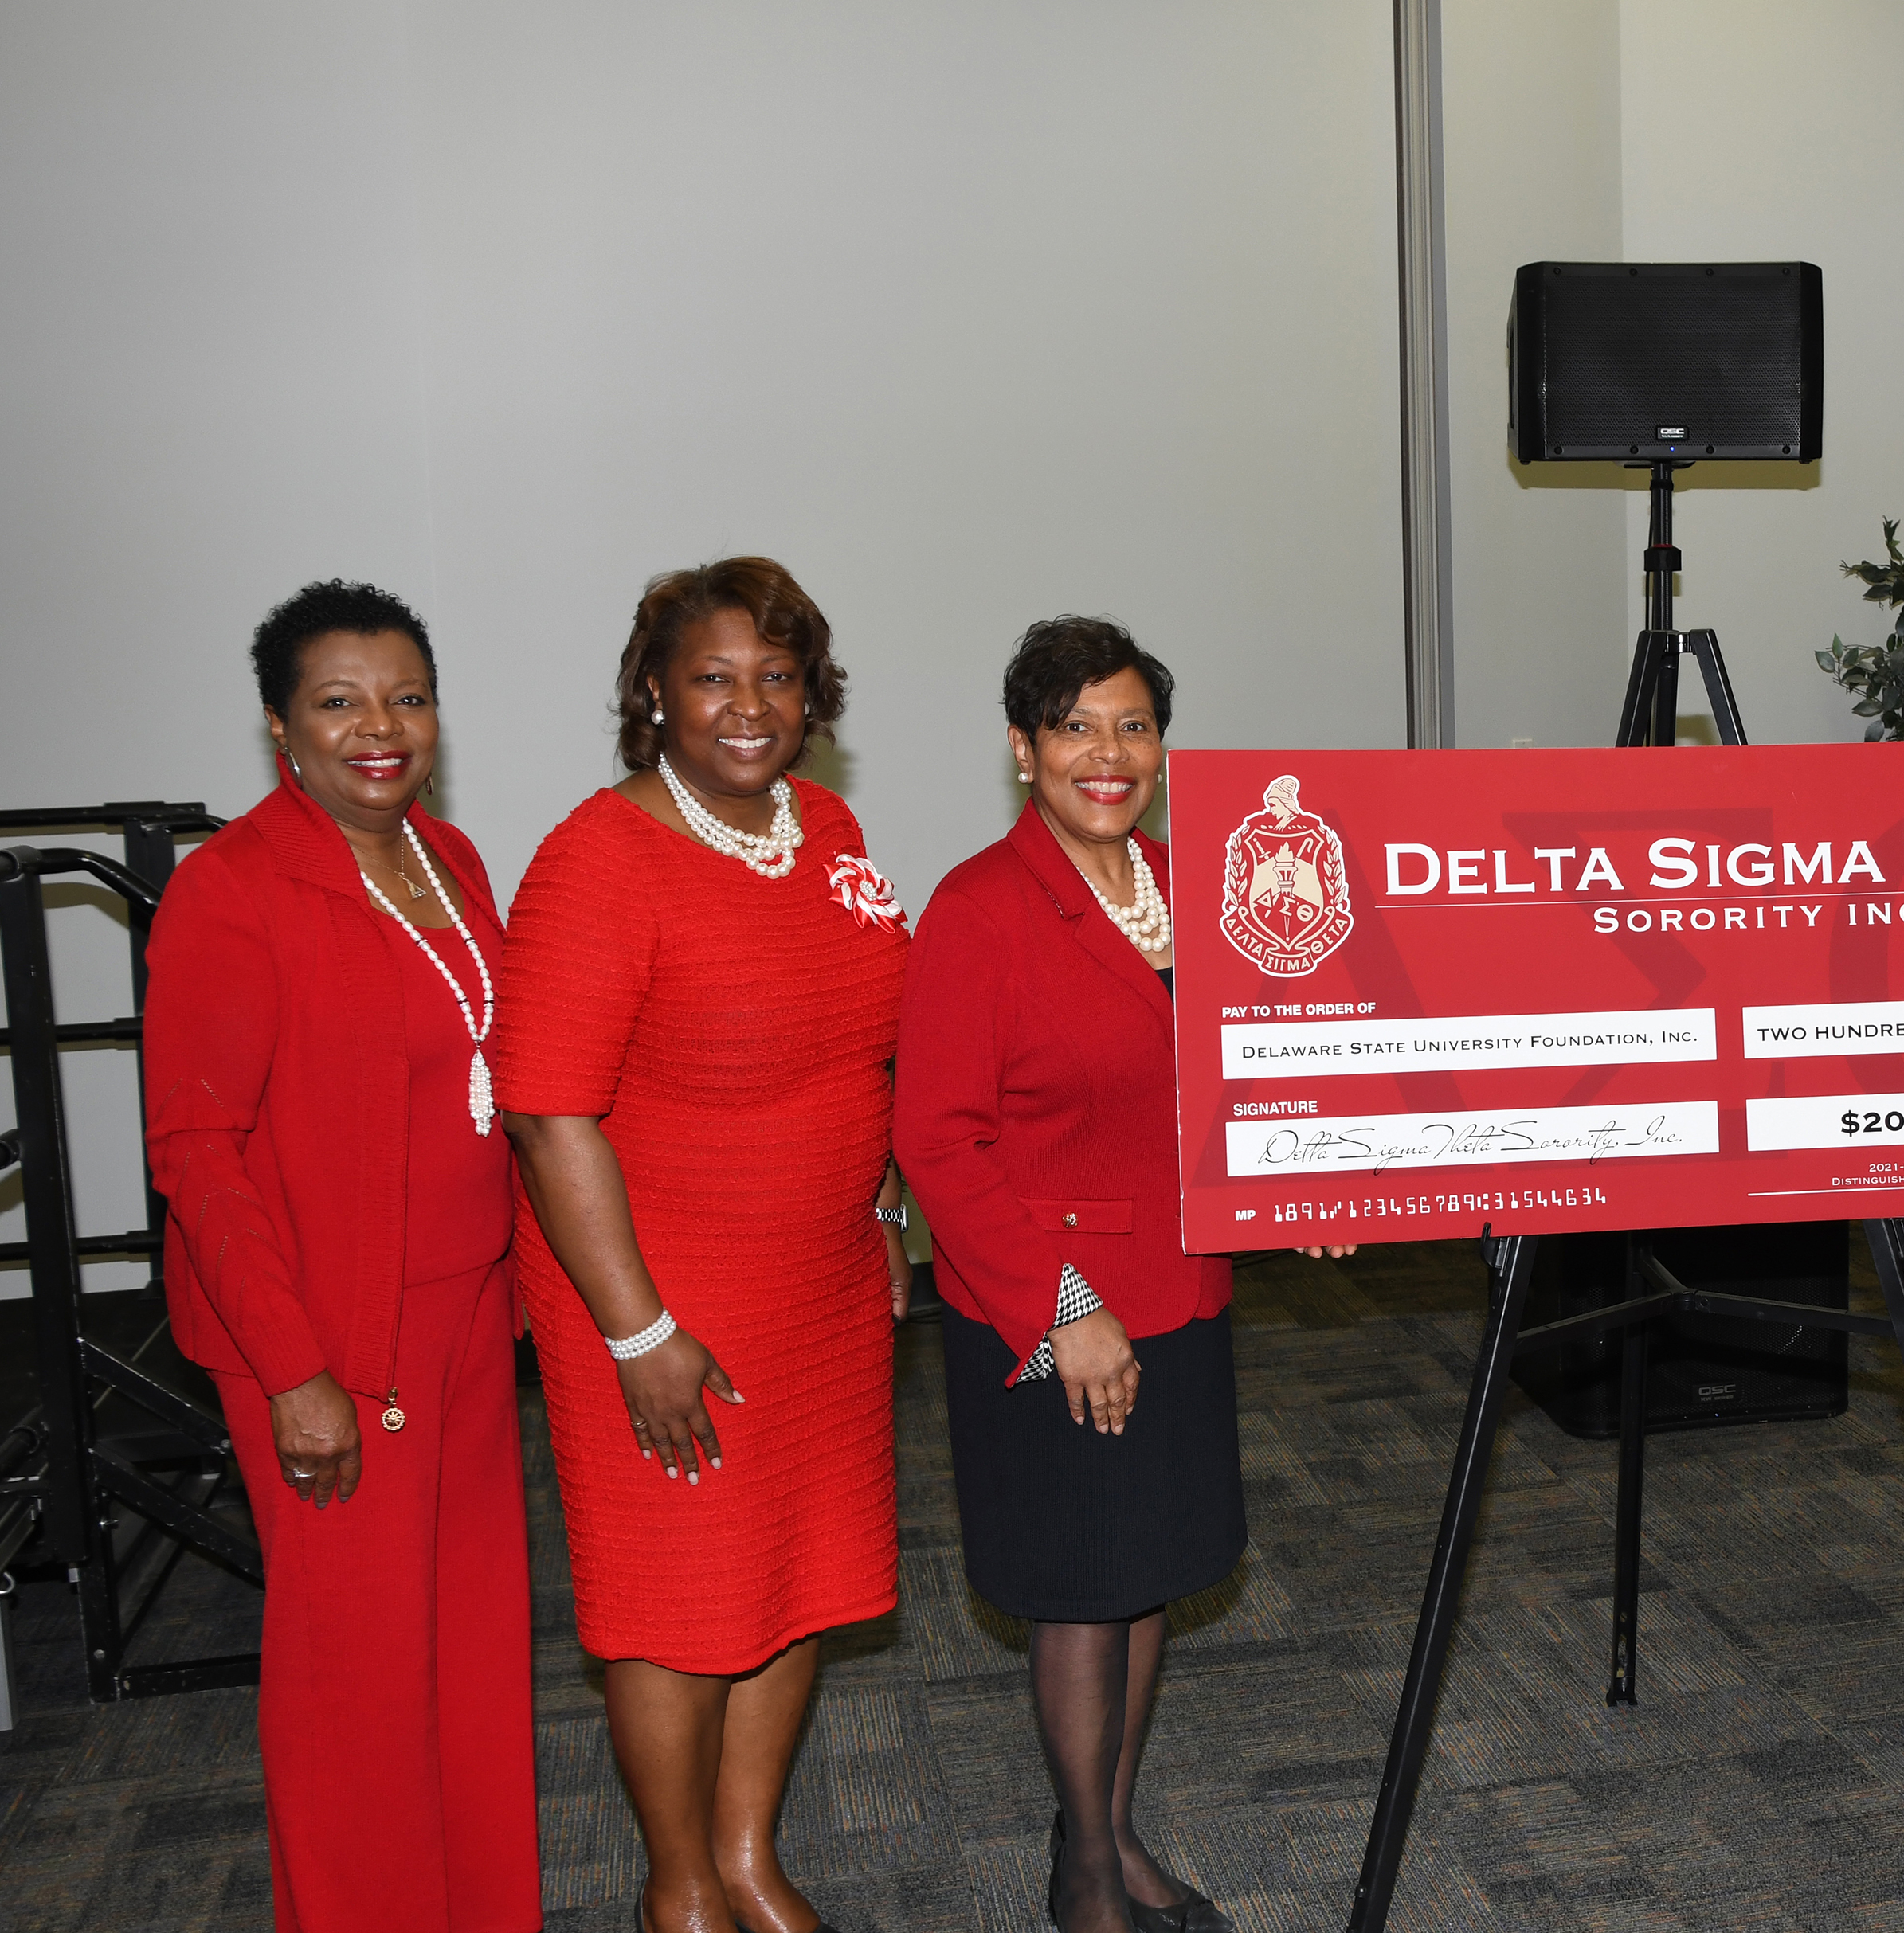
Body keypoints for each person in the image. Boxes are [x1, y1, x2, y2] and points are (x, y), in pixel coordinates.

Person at [897, 617, 1348, 1933]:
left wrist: (1301, 1185)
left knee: (1148, 1574)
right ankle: (1085, 1878)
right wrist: (1063, 1310)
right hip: (1056, 1317)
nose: (1109, 753)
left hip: (1184, 1290)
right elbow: (935, 1136)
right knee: (1084, 1592)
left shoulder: (1186, 882)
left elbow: (1229, 1077)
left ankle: (1114, 1834)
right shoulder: (981, 907)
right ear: (1023, 746)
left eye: (1133, 725)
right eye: (1078, 726)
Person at [496, 559, 911, 1933]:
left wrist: (883, 1207)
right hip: (661, 1293)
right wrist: (638, 1333)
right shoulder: (600, 857)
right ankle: (678, 1889)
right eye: (715, 677)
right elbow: (551, 1118)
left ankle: (747, 1858)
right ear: (655, 695)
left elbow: (865, 1050)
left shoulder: (831, 828)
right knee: (676, 1600)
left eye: (777, 676)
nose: (749, 706)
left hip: (819, 1282)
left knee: (793, 1574)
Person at [142, 581, 539, 1933]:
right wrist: (294, 1369)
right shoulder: (234, 892)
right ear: (280, 728)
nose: (382, 727)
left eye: (408, 697)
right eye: (341, 702)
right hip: (323, 1340)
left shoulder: (454, 860)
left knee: (471, 1662)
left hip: (469, 1323)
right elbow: (197, 1153)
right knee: (358, 1687)